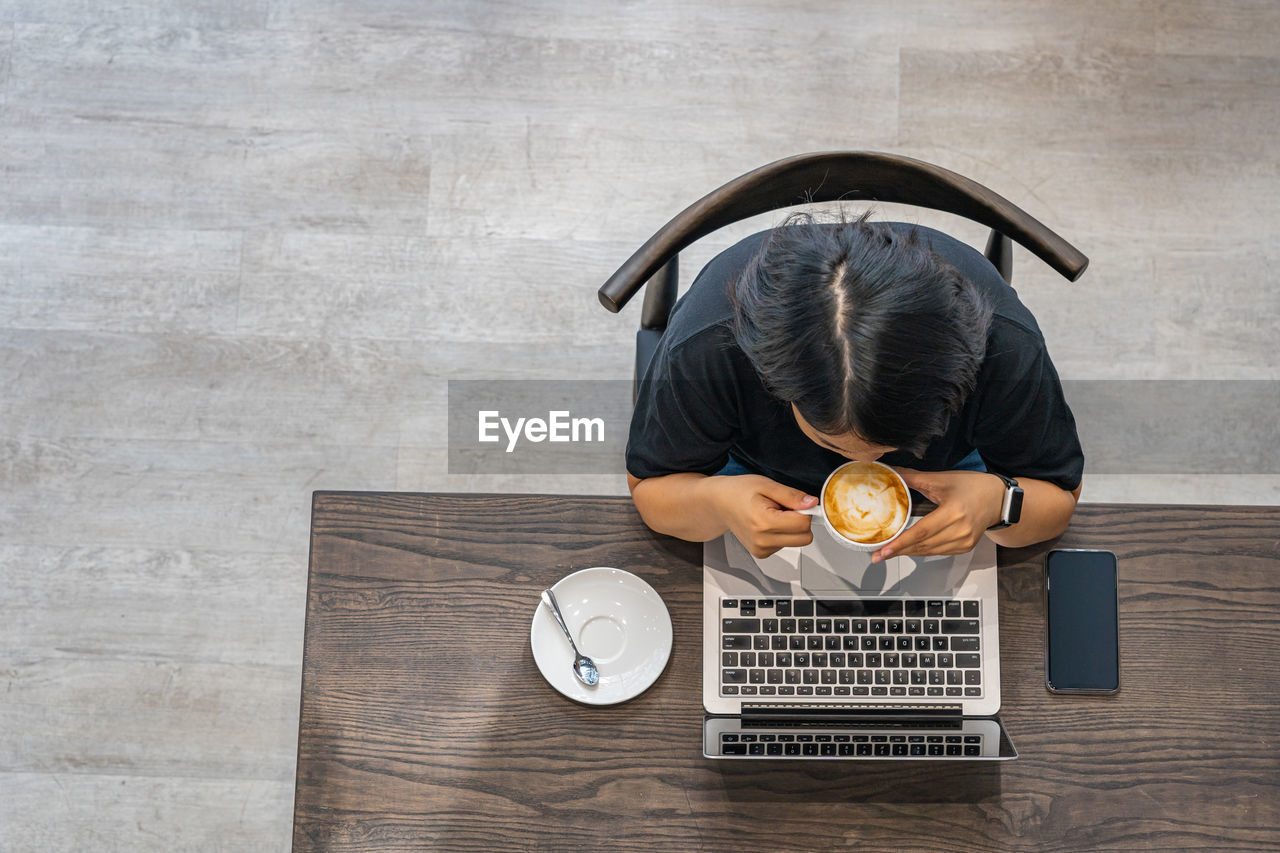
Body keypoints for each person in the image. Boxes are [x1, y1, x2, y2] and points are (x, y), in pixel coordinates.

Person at [624, 212, 1084, 561]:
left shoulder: (1005, 348)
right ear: (770, 378)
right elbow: (652, 491)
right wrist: (714, 501)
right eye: (832, 443)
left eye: (888, 449)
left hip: (957, 483)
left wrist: (1001, 503)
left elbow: (1057, 499)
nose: (865, 465)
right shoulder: (709, 347)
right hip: (749, 478)